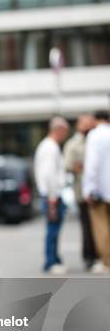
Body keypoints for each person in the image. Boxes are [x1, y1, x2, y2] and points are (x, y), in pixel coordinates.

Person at [34, 116, 70, 274]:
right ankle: (51, 261)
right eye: (65, 132)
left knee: (53, 228)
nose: (66, 135)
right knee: (53, 229)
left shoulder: (48, 146)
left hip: (51, 194)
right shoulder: (50, 148)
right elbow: (48, 175)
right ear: (59, 130)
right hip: (52, 195)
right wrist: (52, 196)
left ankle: (54, 259)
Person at [63, 114, 99, 272]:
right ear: (78, 126)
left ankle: (101, 255)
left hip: (99, 191)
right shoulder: (73, 144)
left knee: (100, 226)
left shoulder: (97, 140)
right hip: (82, 192)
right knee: (87, 226)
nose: (89, 127)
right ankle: (89, 257)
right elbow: (68, 165)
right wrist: (83, 168)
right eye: (86, 124)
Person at [82, 110, 110, 271]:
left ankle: (107, 261)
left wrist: (89, 189)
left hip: (100, 190)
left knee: (101, 227)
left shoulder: (94, 135)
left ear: (95, 119)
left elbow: (92, 165)